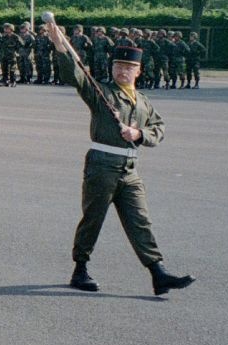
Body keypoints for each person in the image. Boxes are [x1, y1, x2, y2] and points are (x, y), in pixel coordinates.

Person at [47, 17, 194, 296]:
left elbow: (158, 129)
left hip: (129, 169)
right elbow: (74, 75)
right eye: (119, 66)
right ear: (112, 68)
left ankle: (158, 272)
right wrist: (59, 43)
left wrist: (138, 134)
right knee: (93, 219)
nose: (123, 71)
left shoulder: (144, 102)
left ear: (138, 71)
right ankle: (80, 269)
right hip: (102, 165)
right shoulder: (100, 91)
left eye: (129, 68)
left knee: (140, 220)